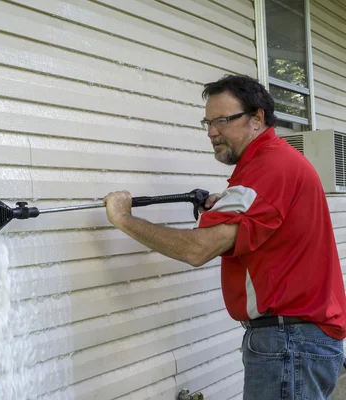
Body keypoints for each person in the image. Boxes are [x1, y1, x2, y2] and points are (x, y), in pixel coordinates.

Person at [103, 74, 346, 399]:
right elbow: (265, 226)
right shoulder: (275, 163)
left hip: (290, 340)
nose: (211, 132)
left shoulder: (267, 169)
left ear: (256, 118)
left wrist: (124, 218)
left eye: (222, 120)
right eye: (207, 122)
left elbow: (198, 249)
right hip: (298, 339)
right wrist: (225, 209)